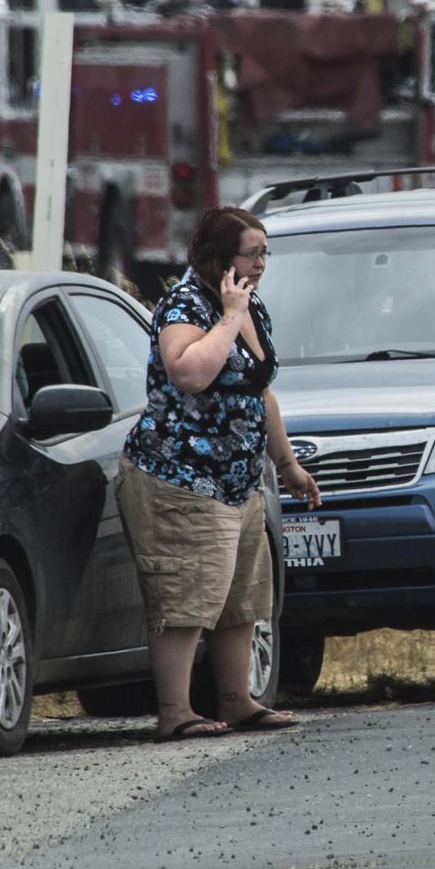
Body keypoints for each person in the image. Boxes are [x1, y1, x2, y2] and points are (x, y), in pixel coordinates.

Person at [119, 206, 322, 740]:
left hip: (238, 482)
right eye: (251, 253)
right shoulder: (184, 304)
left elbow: (260, 391)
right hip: (181, 478)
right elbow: (188, 373)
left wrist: (288, 464)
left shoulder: (253, 306)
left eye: (264, 254)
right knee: (187, 597)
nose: (260, 264)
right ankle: (175, 710)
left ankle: (236, 698)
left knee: (241, 596)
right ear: (218, 256)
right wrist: (230, 316)